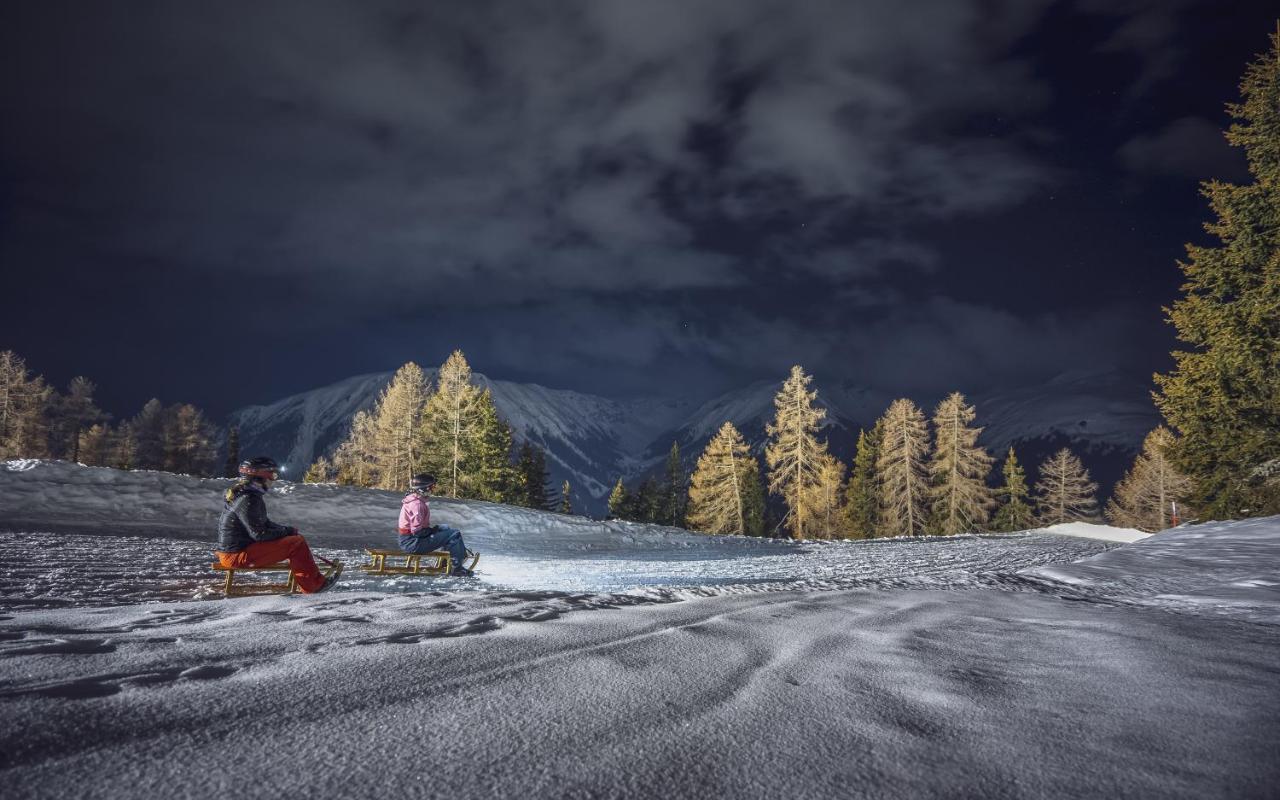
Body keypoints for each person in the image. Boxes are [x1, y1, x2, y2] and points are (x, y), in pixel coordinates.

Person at [216, 456, 341, 593]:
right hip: (236, 556)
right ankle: (313, 586)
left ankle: (312, 581)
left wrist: (287, 531)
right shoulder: (248, 500)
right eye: (272, 476)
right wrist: (286, 533)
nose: (273, 481)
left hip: (238, 551)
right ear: (260, 477)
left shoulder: (247, 495)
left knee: (296, 540)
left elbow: (265, 524)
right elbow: (260, 534)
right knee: (295, 544)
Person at [399, 473, 473, 577]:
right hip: (413, 543)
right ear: (423, 488)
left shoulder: (416, 501)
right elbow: (417, 531)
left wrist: (436, 530)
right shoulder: (417, 505)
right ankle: (457, 568)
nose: (432, 490)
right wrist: (433, 531)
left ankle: (445, 562)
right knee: (454, 534)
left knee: (445, 528)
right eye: (431, 487)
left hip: (411, 540)